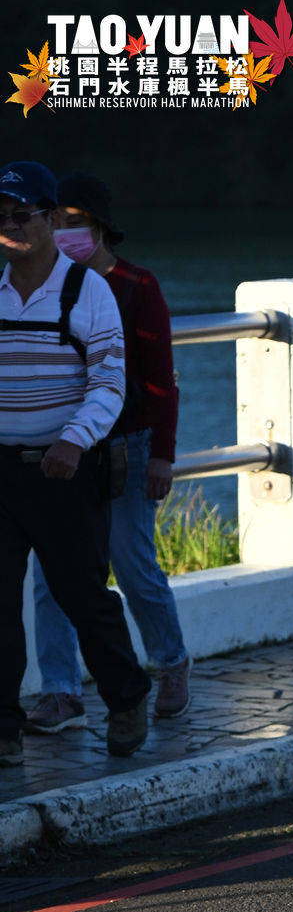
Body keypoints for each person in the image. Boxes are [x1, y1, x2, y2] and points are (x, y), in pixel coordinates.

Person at [26, 171, 191, 734]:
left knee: (132, 562)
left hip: (126, 449)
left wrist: (162, 455)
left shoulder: (136, 286)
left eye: (75, 222)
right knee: (51, 574)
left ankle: (170, 663)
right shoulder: (40, 286)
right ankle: (60, 691)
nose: (64, 232)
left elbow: (161, 380)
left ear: (100, 227)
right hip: (59, 451)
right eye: (56, 221)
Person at [0, 160, 150, 766]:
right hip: (2, 471)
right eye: (0, 217)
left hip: (64, 471)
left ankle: (126, 698)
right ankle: (3, 730)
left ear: (51, 219)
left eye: (21, 215)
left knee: (81, 594)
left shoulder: (88, 291)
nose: (10, 227)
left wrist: (73, 440)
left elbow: (109, 382)